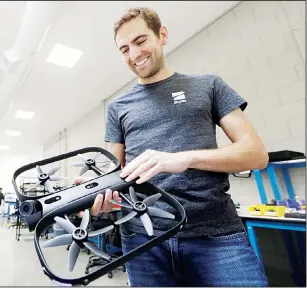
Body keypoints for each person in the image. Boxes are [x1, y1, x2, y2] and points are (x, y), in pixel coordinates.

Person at [77, 7, 269, 287]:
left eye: (141, 42)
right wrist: (96, 198)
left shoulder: (208, 86)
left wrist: (183, 158)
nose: (134, 55)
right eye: (124, 49)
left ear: (162, 35)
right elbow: (114, 175)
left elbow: (256, 154)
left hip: (216, 236)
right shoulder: (117, 107)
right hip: (144, 242)